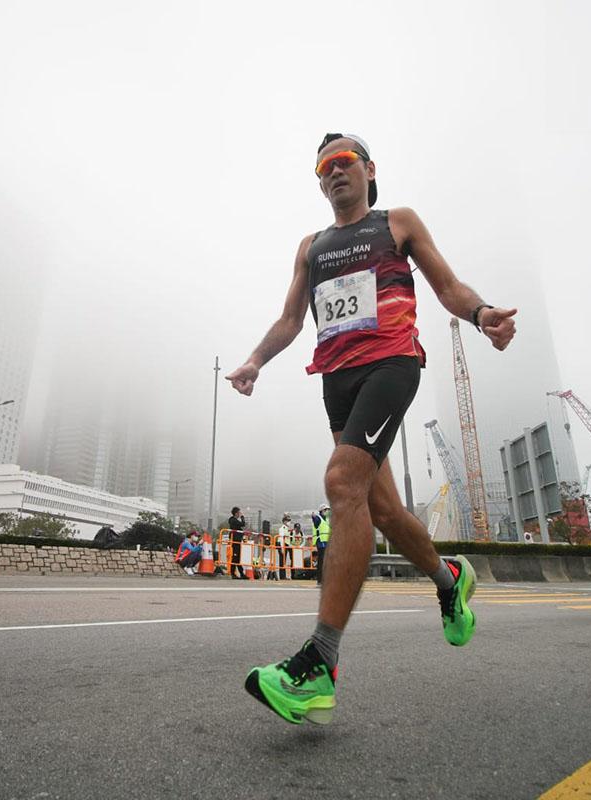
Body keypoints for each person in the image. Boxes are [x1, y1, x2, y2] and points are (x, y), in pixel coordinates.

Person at [226, 133, 517, 726]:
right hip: (338, 382)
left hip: (391, 364)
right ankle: (449, 577)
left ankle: (318, 664)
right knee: (380, 509)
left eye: (345, 162)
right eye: (324, 167)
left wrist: (482, 313)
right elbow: (289, 320)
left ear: (368, 170)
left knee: (341, 482)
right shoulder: (311, 247)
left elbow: (447, 287)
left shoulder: (398, 223)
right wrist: (255, 360)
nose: (334, 172)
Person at [311, 504, 331, 585]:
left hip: (327, 542)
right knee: (321, 561)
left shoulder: (327, 519)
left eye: (328, 510)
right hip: (320, 542)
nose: (327, 511)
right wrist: (313, 516)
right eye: (326, 510)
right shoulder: (318, 518)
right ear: (322, 511)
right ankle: (320, 580)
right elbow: (315, 520)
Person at [228, 507, 247, 579]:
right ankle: (233, 573)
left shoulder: (234, 520)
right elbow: (243, 524)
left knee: (237, 557)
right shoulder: (233, 520)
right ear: (236, 513)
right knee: (235, 557)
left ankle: (241, 573)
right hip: (235, 541)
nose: (240, 514)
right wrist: (242, 517)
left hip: (237, 541)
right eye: (239, 513)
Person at [276, 514, 294, 580]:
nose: (289, 522)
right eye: (287, 520)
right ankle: (282, 576)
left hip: (287, 544)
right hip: (282, 544)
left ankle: (285, 576)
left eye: (289, 520)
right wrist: (282, 548)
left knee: (285, 560)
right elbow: (281, 538)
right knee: (282, 561)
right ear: (284, 521)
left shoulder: (288, 529)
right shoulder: (282, 528)